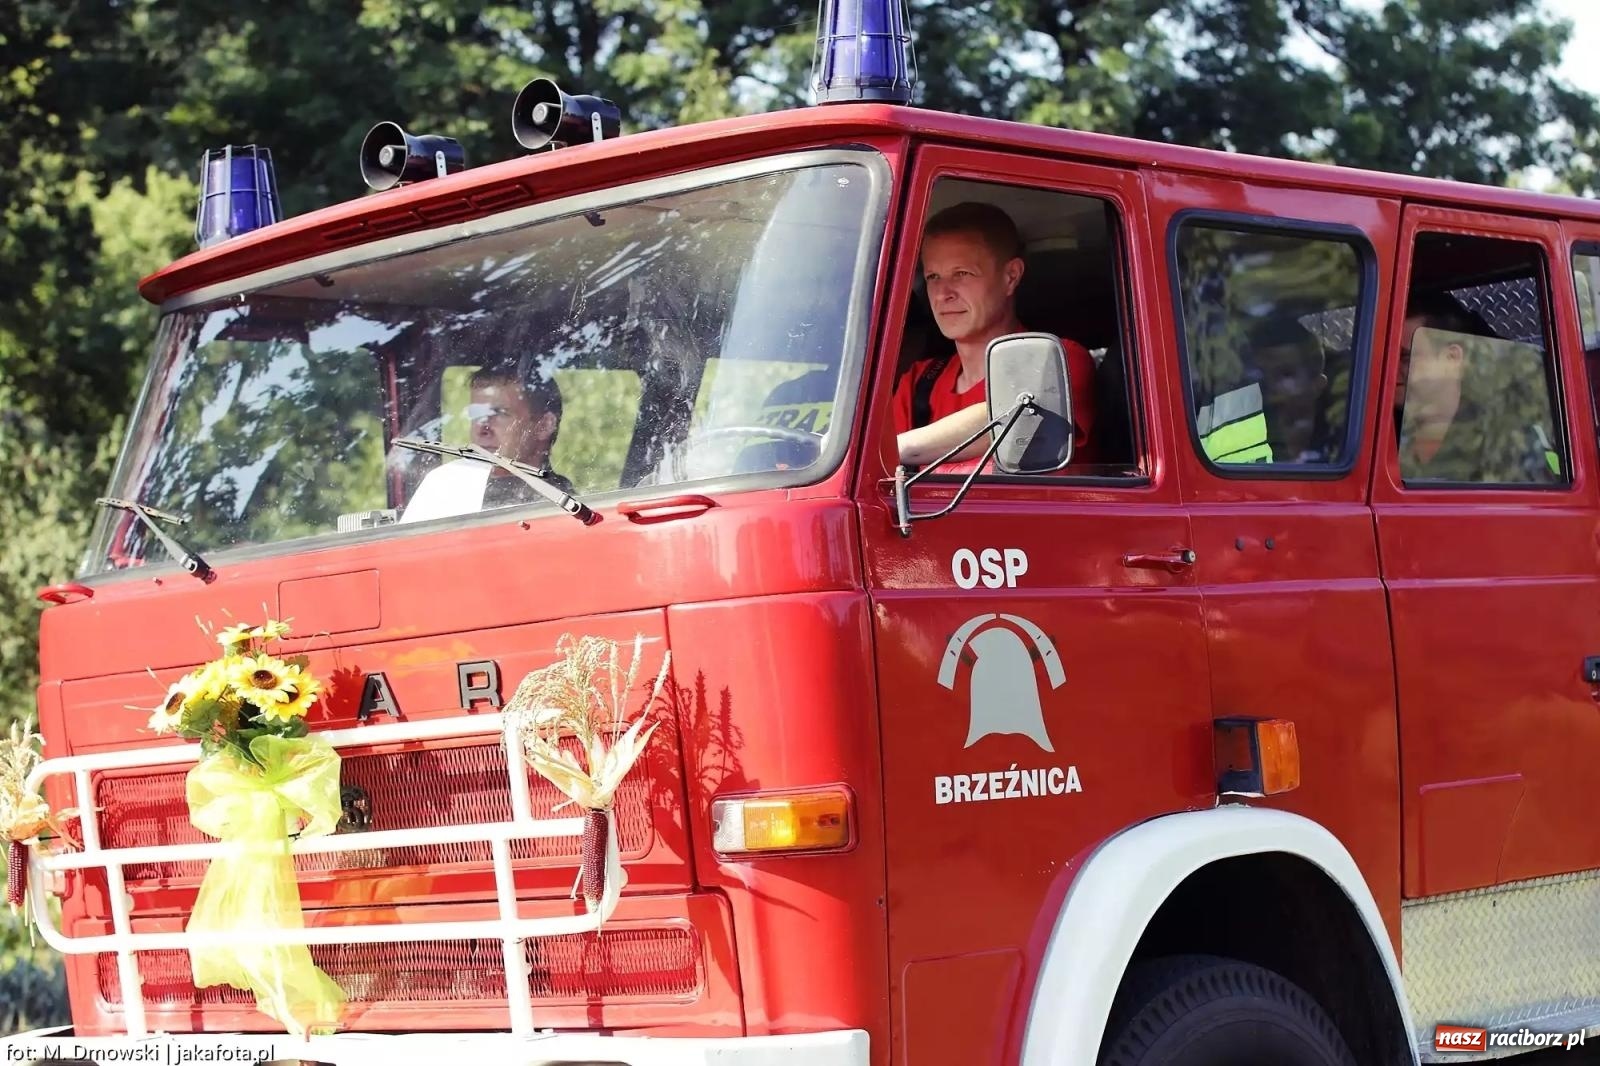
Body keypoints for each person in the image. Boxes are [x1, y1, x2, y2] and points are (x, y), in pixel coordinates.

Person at [892, 201, 1098, 469]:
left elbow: (1016, 416)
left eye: (961, 273)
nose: (943, 294)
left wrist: (901, 447)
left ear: (1011, 276)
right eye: (933, 277)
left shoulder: (1057, 359)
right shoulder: (919, 383)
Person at [1395, 291, 1557, 483]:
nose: (1389, 368)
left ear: (1451, 359)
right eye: (1384, 355)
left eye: (1404, 357)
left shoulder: (1504, 440)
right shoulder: (1380, 431)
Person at [399, 362, 573, 523]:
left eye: (500, 413)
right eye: (476, 414)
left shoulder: (569, 508)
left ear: (543, 426)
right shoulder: (444, 489)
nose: (482, 429)